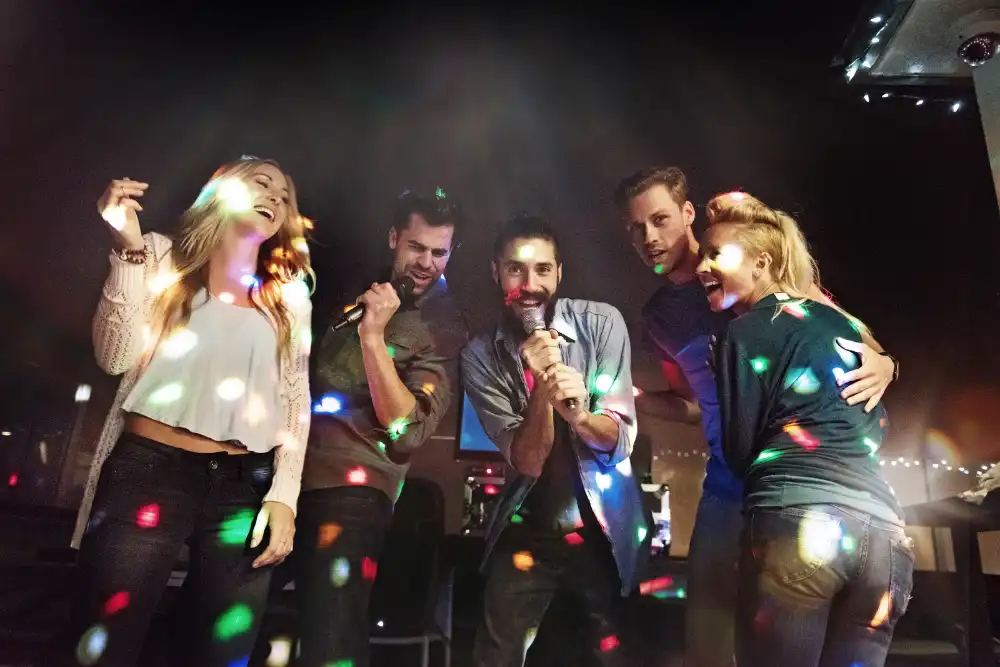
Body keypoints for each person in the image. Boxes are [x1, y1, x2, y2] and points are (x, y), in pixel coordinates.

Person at [612, 167, 898, 667]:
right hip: (726, 486)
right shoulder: (658, 316)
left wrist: (889, 364)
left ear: (687, 214)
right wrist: (626, 396)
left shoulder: (746, 264)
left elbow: (842, 333)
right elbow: (694, 403)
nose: (649, 238)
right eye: (636, 229)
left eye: (659, 220)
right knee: (711, 645)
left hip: (798, 488)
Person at [56, 156, 314, 667]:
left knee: (224, 651)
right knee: (103, 641)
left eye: (283, 196)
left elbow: (294, 400)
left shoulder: (288, 297)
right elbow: (114, 356)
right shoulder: (158, 256)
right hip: (149, 471)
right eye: (260, 184)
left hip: (245, 484)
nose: (274, 198)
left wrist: (285, 496)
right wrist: (128, 251)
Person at [698, 192, 914, 667]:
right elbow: (877, 423)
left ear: (761, 263)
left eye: (715, 254)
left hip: (799, 530)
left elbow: (739, 451)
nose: (701, 267)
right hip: (887, 547)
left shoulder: (744, 331)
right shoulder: (839, 324)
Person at [292, 190, 468, 667]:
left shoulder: (443, 329)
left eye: (439, 252)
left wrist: (373, 335)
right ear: (394, 238)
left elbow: (407, 430)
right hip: (279, 467)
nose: (426, 262)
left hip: (353, 485)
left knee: (330, 635)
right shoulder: (353, 281)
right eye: (416, 247)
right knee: (226, 607)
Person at [462, 214, 646, 667]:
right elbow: (527, 461)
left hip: (605, 530)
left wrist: (581, 414)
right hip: (528, 529)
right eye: (516, 270)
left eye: (543, 270)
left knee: (610, 656)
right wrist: (541, 386)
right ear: (496, 272)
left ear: (559, 272)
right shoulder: (479, 355)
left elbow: (618, 441)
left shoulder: (601, 323)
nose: (530, 284)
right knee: (496, 654)